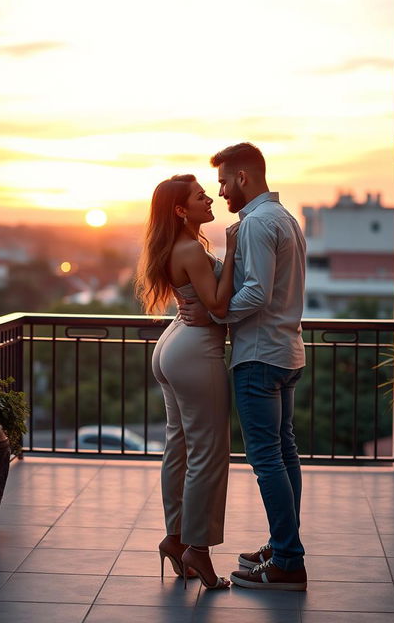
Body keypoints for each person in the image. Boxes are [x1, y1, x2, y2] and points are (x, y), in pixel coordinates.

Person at [180, 143, 308, 591]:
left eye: (222, 182)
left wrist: (215, 314)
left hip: (258, 356)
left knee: (267, 458)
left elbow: (256, 292)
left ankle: (289, 561)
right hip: (286, 352)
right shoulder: (286, 219)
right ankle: (283, 544)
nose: (220, 191)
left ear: (242, 178)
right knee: (284, 453)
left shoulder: (255, 223)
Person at [135, 174, 240, 590]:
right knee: (208, 454)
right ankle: (199, 548)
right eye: (200, 196)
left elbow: (204, 304)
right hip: (195, 351)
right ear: (181, 210)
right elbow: (217, 304)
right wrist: (231, 254)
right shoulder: (191, 249)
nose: (209, 198)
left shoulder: (175, 247)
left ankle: (176, 539)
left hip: (173, 346)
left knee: (179, 447)